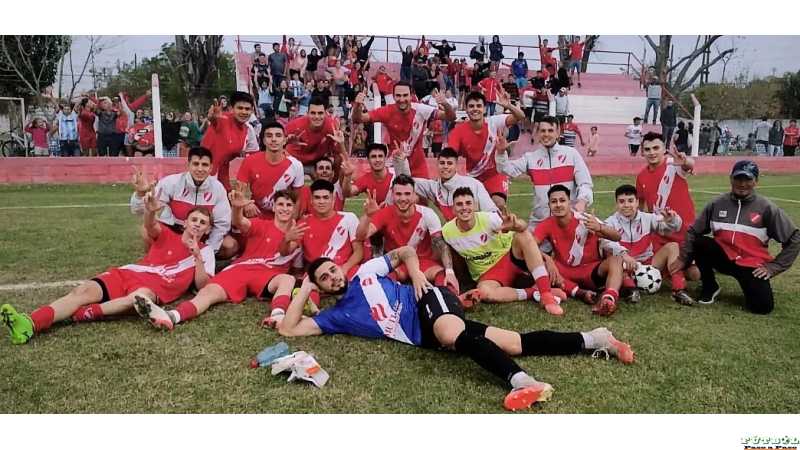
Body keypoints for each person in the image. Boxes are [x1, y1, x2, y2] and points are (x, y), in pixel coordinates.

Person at [276, 247, 634, 411]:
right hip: (422, 335)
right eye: (324, 278)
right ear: (321, 288)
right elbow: (290, 331)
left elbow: (403, 251)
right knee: (514, 342)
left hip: (428, 302)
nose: (333, 276)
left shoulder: (365, 273)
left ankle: (523, 383)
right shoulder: (334, 316)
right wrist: (303, 288)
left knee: (452, 335)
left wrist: (416, 274)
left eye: (332, 270)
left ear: (341, 267)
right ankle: (595, 339)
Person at [1, 201, 215, 345]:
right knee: (81, 292)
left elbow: (202, 286)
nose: (197, 224)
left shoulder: (206, 251)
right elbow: (151, 226)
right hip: (128, 273)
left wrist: (196, 256)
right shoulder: (168, 234)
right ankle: (29, 323)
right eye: (194, 220)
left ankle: (85, 313)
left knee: (138, 299)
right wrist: (150, 211)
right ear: (186, 222)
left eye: (203, 222)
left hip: (152, 289)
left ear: (208, 229)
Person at [133, 189, 300, 330]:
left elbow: (286, 252)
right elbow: (240, 222)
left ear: (294, 208)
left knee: (287, 279)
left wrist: (287, 238)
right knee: (209, 292)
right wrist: (236, 208)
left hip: (270, 274)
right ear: (274, 207)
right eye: (280, 204)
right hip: (241, 269)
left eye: (288, 205)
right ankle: (172, 316)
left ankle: (277, 316)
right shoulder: (262, 224)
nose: (284, 209)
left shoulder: (298, 231)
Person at [672, 160, 800, 314]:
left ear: (756, 182)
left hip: (751, 265)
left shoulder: (767, 208)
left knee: (762, 307)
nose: (742, 183)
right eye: (738, 178)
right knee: (700, 242)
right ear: (731, 179)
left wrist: (774, 267)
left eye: (748, 179)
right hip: (723, 258)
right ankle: (710, 286)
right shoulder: (717, 204)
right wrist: (682, 259)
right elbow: (693, 231)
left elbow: (794, 238)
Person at [442, 187, 563, 315]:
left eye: (468, 203)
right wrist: (449, 272)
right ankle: (532, 292)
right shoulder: (447, 231)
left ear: (475, 206)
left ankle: (546, 296)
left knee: (523, 234)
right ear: (453, 209)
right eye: (459, 204)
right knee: (485, 292)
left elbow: (523, 227)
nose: (464, 207)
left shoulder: (489, 219)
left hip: (509, 259)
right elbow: (443, 249)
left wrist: (516, 226)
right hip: (487, 274)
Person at [269, 179, 364, 327]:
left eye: (326, 197)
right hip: (318, 274)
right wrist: (286, 239)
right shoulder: (304, 223)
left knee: (364, 282)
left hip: (344, 268)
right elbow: (284, 252)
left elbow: (359, 252)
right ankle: (300, 311)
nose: (321, 201)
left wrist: (344, 268)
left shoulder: (348, 218)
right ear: (311, 201)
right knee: (308, 287)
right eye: (317, 198)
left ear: (333, 200)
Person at [533, 185, 626, 316]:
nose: (558, 205)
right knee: (542, 265)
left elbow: (617, 236)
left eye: (562, 200)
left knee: (616, 260)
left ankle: (608, 299)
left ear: (569, 202)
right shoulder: (546, 224)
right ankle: (580, 293)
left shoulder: (584, 218)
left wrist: (599, 227)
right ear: (549, 205)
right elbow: (530, 246)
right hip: (564, 273)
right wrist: (547, 258)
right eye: (554, 202)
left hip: (590, 270)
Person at [358, 175, 459, 294]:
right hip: (397, 262)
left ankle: (451, 299)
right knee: (382, 283)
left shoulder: (427, 214)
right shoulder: (385, 212)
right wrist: (368, 217)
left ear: (414, 194)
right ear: (392, 194)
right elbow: (361, 236)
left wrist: (450, 272)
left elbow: (441, 244)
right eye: (398, 194)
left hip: (423, 262)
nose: (403, 198)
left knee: (442, 276)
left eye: (407, 194)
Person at [130, 147, 232, 256]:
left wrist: (209, 250)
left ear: (211, 167)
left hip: (203, 234)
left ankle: (204, 263)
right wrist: (141, 194)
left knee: (230, 245)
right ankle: (155, 261)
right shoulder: (171, 182)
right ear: (188, 165)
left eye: (205, 165)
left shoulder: (218, 188)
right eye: (196, 164)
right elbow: (139, 210)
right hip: (175, 231)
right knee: (146, 231)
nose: (200, 169)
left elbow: (222, 224)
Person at [495, 115, 593, 229]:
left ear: (558, 133)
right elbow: (505, 168)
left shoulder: (571, 154)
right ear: (538, 133)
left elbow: (585, 183)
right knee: (521, 242)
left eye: (550, 130)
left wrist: (582, 201)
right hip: (540, 223)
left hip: (568, 221)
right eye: (543, 131)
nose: (546, 134)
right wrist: (501, 152)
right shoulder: (531, 158)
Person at [603, 184, 695, 305]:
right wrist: (623, 254)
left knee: (672, 246)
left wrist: (672, 220)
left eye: (630, 201)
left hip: (648, 262)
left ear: (637, 203)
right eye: (621, 201)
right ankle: (631, 290)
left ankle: (678, 290)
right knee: (614, 259)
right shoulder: (610, 222)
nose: (626, 205)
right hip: (626, 264)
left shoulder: (647, 218)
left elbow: (674, 227)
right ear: (616, 204)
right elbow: (604, 242)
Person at [353, 81, 455, 178]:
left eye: (405, 95)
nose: (402, 99)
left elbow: (451, 117)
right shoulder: (387, 111)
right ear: (393, 96)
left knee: (424, 196)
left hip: (418, 166)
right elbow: (359, 119)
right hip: (396, 164)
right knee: (396, 195)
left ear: (411, 96)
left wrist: (445, 104)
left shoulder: (420, 109)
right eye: (398, 95)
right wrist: (357, 105)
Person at [635, 132, 698, 279]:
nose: (652, 152)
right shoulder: (641, 176)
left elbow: (689, 164)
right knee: (649, 269)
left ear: (664, 149)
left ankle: (700, 260)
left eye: (656, 148)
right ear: (643, 152)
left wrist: (685, 162)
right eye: (647, 149)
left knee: (694, 275)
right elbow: (641, 207)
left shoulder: (674, 164)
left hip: (684, 234)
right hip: (660, 234)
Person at [447, 91, 524, 208]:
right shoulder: (458, 131)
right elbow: (450, 155)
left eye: (479, 106)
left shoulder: (494, 122)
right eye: (471, 106)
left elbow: (520, 116)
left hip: (495, 175)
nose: (475, 109)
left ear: (484, 109)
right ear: (466, 109)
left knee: (499, 204)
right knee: (469, 208)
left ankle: (501, 225)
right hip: (473, 177)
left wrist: (508, 106)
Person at [396, 147, 498, 221]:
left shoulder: (473, 184)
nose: (445, 166)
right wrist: (401, 161)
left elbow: (491, 212)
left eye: (449, 163)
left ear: (456, 166)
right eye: (442, 163)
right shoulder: (434, 187)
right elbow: (406, 183)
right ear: (437, 164)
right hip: (453, 238)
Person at [235, 122, 305, 220]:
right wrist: (246, 203)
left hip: (282, 217)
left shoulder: (296, 165)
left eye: (278, 135)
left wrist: (291, 223)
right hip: (256, 215)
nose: (274, 139)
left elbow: (297, 200)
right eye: (269, 136)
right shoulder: (250, 161)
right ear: (263, 140)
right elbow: (239, 191)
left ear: (284, 140)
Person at [200, 91, 260, 191]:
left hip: (222, 173)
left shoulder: (249, 130)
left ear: (252, 110)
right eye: (240, 108)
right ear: (231, 108)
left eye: (247, 109)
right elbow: (215, 121)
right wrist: (212, 119)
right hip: (203, 171)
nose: (244, 112)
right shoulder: (222, 119)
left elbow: (255, 156)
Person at [284, 97, 340, 174]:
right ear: (307, 113)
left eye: (320, 113)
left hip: (317, 163)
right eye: (313, 113)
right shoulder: (294, 125)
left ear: (325, 113)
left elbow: (338, 154)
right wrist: (286, 142)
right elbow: (276, 145)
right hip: (294, 162)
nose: (317, 117)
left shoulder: (331, 126)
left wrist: (334, 179)